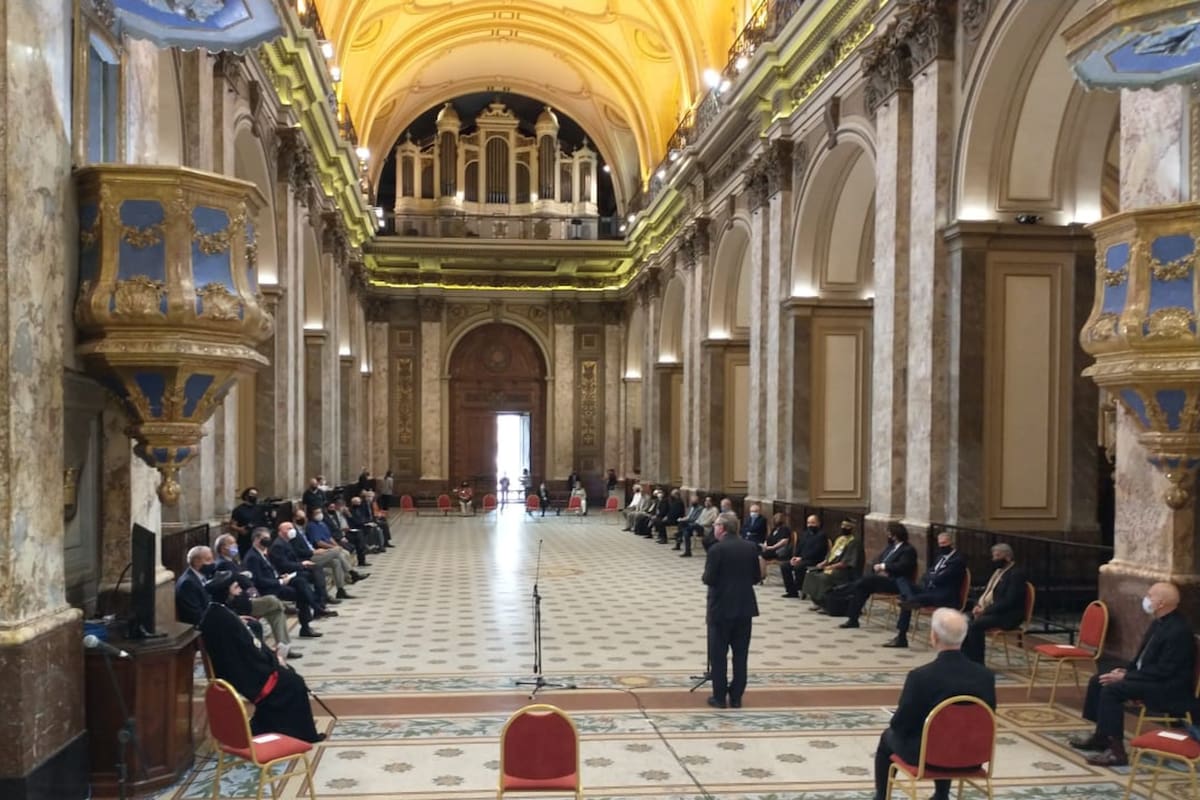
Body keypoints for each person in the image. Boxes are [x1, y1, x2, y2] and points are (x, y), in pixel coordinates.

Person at [872, 608, 996, 800]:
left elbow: (901, 724)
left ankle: (881, 796)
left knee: (888, 737)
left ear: (934, 636)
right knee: (947, 733)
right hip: (972, 755)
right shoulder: (986, 676)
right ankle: (941, 795)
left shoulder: (921, 677)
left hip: (929, 758)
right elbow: (988, 716)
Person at [1069, 581, 1197, 767]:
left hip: (1168, 688)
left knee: (1112, 690)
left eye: (1150, 595)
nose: (1146, 598)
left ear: (1161, 603)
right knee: (1099, 680)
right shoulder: (1159, 623)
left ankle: (1117, 752)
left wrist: (1127, 677)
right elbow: (1142, 659)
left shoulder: (1178, 630)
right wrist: (1127, 671)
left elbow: (1165, 670)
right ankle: (1102, 736)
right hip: (1151, 678)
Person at [198, 572, 324, 743]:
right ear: (226, 593)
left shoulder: (217, 612)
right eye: (235, 588)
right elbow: (249, 651)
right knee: (294, 683)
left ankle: (271, 725)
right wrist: (274, 660)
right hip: (243, 675)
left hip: (243, 667)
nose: (240, 591)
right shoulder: (223, 618)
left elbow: (246, 647)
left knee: (290, 676)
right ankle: (296, 733)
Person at [702, 511, 758, 709]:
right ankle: (736, 697)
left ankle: (719, 697)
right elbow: (756, 577)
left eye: (716, 525)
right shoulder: (750, 547)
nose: (714, 528)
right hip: (744, 608)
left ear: (722, 528)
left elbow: (708, 579)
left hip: (721, 608)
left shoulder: (716, 550)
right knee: (740, 655)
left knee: (718, 655)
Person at [889, 531, 967, 648]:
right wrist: (932, 576)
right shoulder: (940, 557)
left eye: (944, 543)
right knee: (902, 580)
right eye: (940, 543)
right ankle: (910, 598)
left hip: (944, 595)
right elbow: (927, 574)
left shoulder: (957, 560)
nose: (942, 546)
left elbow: (942, 578)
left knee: (907, 603)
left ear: (952, 543)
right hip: (929, 590)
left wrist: (932, 576)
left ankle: (901, 637)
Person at [243, 528, 323, 638]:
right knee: (301, 593)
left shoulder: (263, 553)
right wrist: (280, 581)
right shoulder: (252, 557)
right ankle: (314, 611)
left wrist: (281, 577)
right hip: (268, 589)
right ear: (256, 539)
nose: (268, 541)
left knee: (300, 581)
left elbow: (271, 571)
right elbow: (259, 580)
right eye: (265, 539)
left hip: (276, 582)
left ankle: (314, 611)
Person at [839, 522, 918, 628]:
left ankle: (843, 590)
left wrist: (884, 567)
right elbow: (877, 561)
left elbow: (903, 567)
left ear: (896, 535)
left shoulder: (908, 550)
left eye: (890, 534)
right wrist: (877, 568)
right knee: (862, 588)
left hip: (896, 582)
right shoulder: (890, 547)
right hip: (881, 579)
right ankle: (853, 619)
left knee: (866, 581)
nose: (888, 536)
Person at [961, 543, 1028, 664]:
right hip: (991, 611)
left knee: (975, 625)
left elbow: (1009, 601)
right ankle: (965, 659)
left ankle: (977, 662)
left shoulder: (1016, 574)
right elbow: (986, 593)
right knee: (962, 619)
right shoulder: (998, 572)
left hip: (1007, 615)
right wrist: (978, 605)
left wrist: (985, 611)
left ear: (1007, 557)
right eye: (993, 556)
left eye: (997, 556)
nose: (994, 559)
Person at [801, 520, 861, 605]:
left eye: (847, 526)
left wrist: (831, 567)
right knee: (811, 573)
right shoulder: (840, 539)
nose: (843, 528)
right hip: (831, 566)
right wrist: (824, 562)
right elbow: (831, 554)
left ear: (851, 528)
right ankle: (816, 601)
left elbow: (846, 562)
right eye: (842, 526)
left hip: (843, 571)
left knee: (823, 578)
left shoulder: (854, 542)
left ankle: (825, 604)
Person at [786, 515, 828, 598]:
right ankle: (792, 591)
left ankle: (801, 589)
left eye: (813, 523)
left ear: (818, 523)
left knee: (799, 567)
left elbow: (817, 551)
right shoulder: (805, 534)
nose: (810, 525)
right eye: (808, 523)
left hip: (814, 560)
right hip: (801, 559)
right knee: (785, 566)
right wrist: (794, 557)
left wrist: (801, 558)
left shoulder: (821, 536)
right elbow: (799, 547)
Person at [175, 545, 216, 625]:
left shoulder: (203, 575)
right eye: (208, 560)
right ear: (196, 562)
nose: (213, 562)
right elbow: (197, 617)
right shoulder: (187, 583)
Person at [760, 513, 795, 592]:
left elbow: (784, 541)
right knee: (759, 553)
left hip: (780, 550)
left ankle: (762, 576)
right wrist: (765, 545)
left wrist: (772, 547)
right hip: (771, 549)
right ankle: (761, 575)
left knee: (762, 556)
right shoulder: (774, 529)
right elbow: (768, 539)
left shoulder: (785, 529)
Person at [230, 487, 268, 553]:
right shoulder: (239, 510)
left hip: (259, 539)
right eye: (252, 495)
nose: (254, 497)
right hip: (245, 541)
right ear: (246, 496)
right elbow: (232, 525)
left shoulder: (260, 508)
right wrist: (240, 529)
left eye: (256, 495)